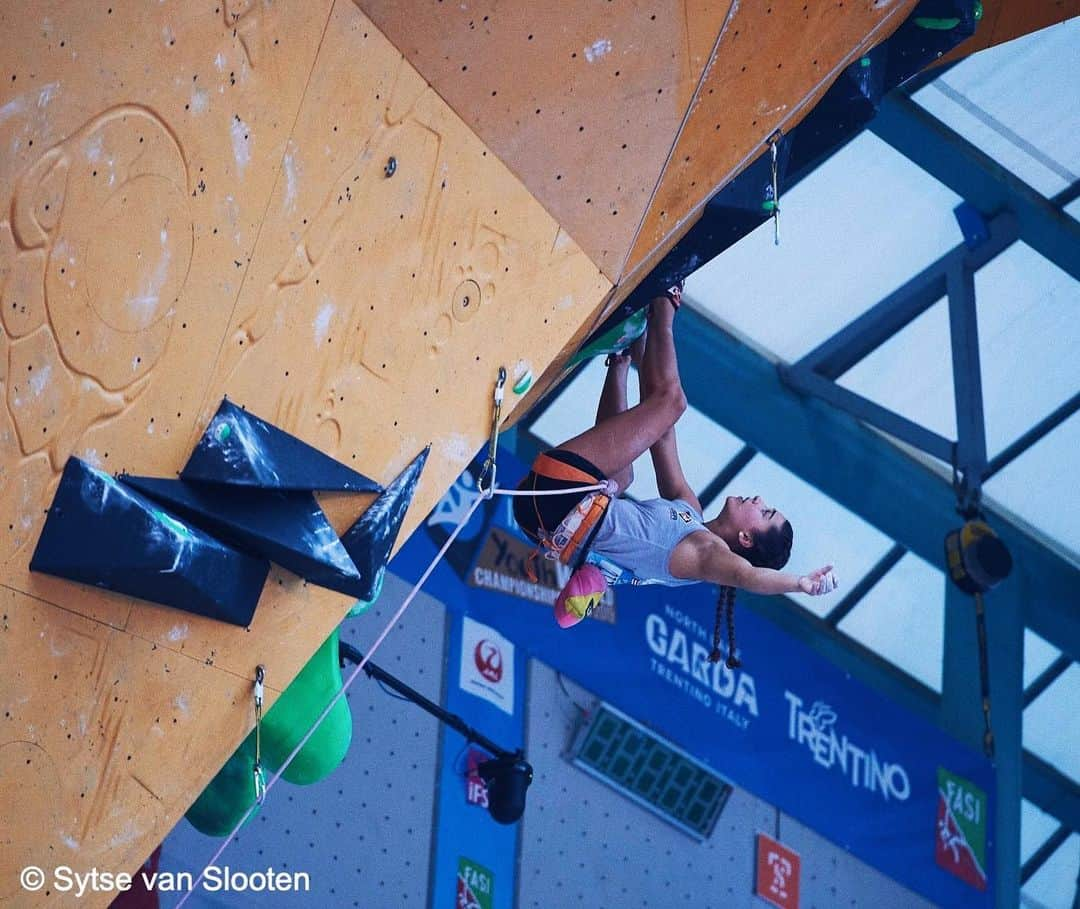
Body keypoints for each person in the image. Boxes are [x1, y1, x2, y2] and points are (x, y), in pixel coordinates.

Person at [513, 286, 837, 649]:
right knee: (626, 472)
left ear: (745, 539)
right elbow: (661, 434)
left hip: (560, 503)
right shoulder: (690, 511)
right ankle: (619, 357)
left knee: (675, 402)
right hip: (545, 515)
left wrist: (799, 584)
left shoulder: (705, 555)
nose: (759, 499)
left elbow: (745, 576)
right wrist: (642, 353)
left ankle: (664, 297)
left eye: (765, 512)